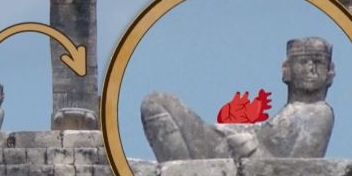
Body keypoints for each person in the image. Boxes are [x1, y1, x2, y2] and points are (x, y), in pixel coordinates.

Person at [140, 37, 335, 161]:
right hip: (227, 149)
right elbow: (263, 134)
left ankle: (185, 174)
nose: (311, 69)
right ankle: (184, 173)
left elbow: (297, 172)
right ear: (287, 70)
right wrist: (235, 131)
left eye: (318, 63)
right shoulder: (294, 109)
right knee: (157, 101)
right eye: (303, 62)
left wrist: (250, 149)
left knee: (156, 103)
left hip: (235, 158)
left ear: (330, 72)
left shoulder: (319, 113)